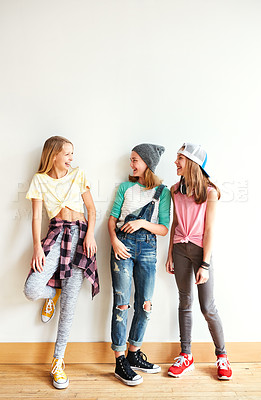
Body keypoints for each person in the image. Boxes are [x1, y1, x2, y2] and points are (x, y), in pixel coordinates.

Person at [24, 136, 99, 390]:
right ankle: (51, 294)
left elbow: (92, 209)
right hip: (55, 235)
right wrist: (37, 246)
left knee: (70, 304)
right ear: (53, 154)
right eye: (67, 153)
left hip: (80, 236)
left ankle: (58, 361)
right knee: (31, 288)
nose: (71, 158)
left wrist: (89, 234)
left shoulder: (78, 174)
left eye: (72, 154)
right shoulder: (39, 180)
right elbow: (36, 218)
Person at [166, 142, 232, 380]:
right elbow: (174, 223)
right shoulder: (175, 190)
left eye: (179, 159)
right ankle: (186, 356)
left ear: (192, 163)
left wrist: (205, 264)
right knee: (184, 302)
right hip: (179, 250)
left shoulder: (210, 192)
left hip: (200, 251)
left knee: (207, 307)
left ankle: (222, 357)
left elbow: (210, 230)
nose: (175, 163)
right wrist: (169, 255)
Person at [108, 143, 171, 386]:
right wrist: (114, 241)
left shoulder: (163, 192)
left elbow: (164, 228)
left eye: (135, 160)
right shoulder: (125, 187)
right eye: (131, 160)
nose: (131, 164)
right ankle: (119, 360)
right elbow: (112, 219)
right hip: (122, 247)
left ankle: (134, 354)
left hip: (147, 248)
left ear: (148, 163)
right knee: (122, 304)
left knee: (145, 304)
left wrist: (142, 224)